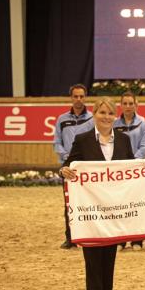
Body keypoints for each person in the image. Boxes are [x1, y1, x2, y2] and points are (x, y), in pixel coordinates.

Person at [59, 97, 145, 290]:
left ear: (115, 115)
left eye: (110, 113)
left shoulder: (123, 139)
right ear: (95, 114)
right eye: (102, 112)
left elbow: (130, 166)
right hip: (91, 212)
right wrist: (64, 171)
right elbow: (67, 165)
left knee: (109, 258)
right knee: (92, 259)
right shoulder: (82, 140)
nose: (106, 116)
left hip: (113, 213)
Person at [54, 83, 94, 249]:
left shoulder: (92, 118)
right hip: (68, 167)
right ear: (71, 98)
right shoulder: (62, 120)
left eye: (81, 96)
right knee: (69, 203)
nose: (78, 99)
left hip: (87, 166)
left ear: (85, 97)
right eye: (75, 96)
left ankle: (89, 236)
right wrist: (67, 158)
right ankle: (70, 237)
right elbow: (57, 142)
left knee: (89, 201)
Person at [114, 91, 145, 251]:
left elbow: (144, 145)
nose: (128, 106)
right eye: (125, 103)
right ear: (121, 105)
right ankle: (121, 240)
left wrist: (134, 161)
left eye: (131, 103)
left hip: (136, 169)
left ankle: (137, 240)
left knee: (136, 204)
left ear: (136, 105)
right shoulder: (115, 124)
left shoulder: (142, 123)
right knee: (120, 204)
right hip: (119, 169)